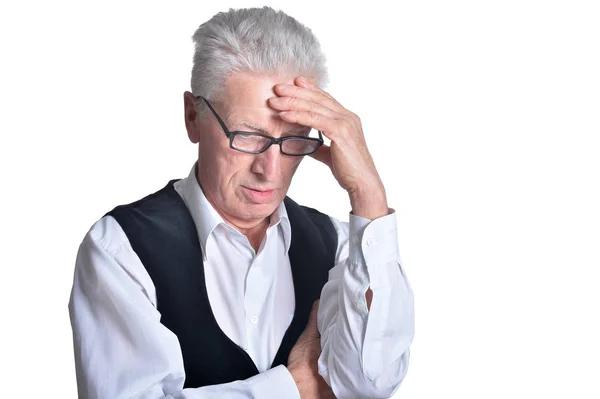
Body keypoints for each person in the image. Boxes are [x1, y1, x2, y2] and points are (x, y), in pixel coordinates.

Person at [68, 6, 414, 399]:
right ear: (192, 116)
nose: (271, 169)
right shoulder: (121, 248)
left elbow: (370, 386)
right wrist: (296, 387)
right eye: (249, 136)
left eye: (294, 140)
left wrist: (368, 196)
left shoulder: (339, 245)